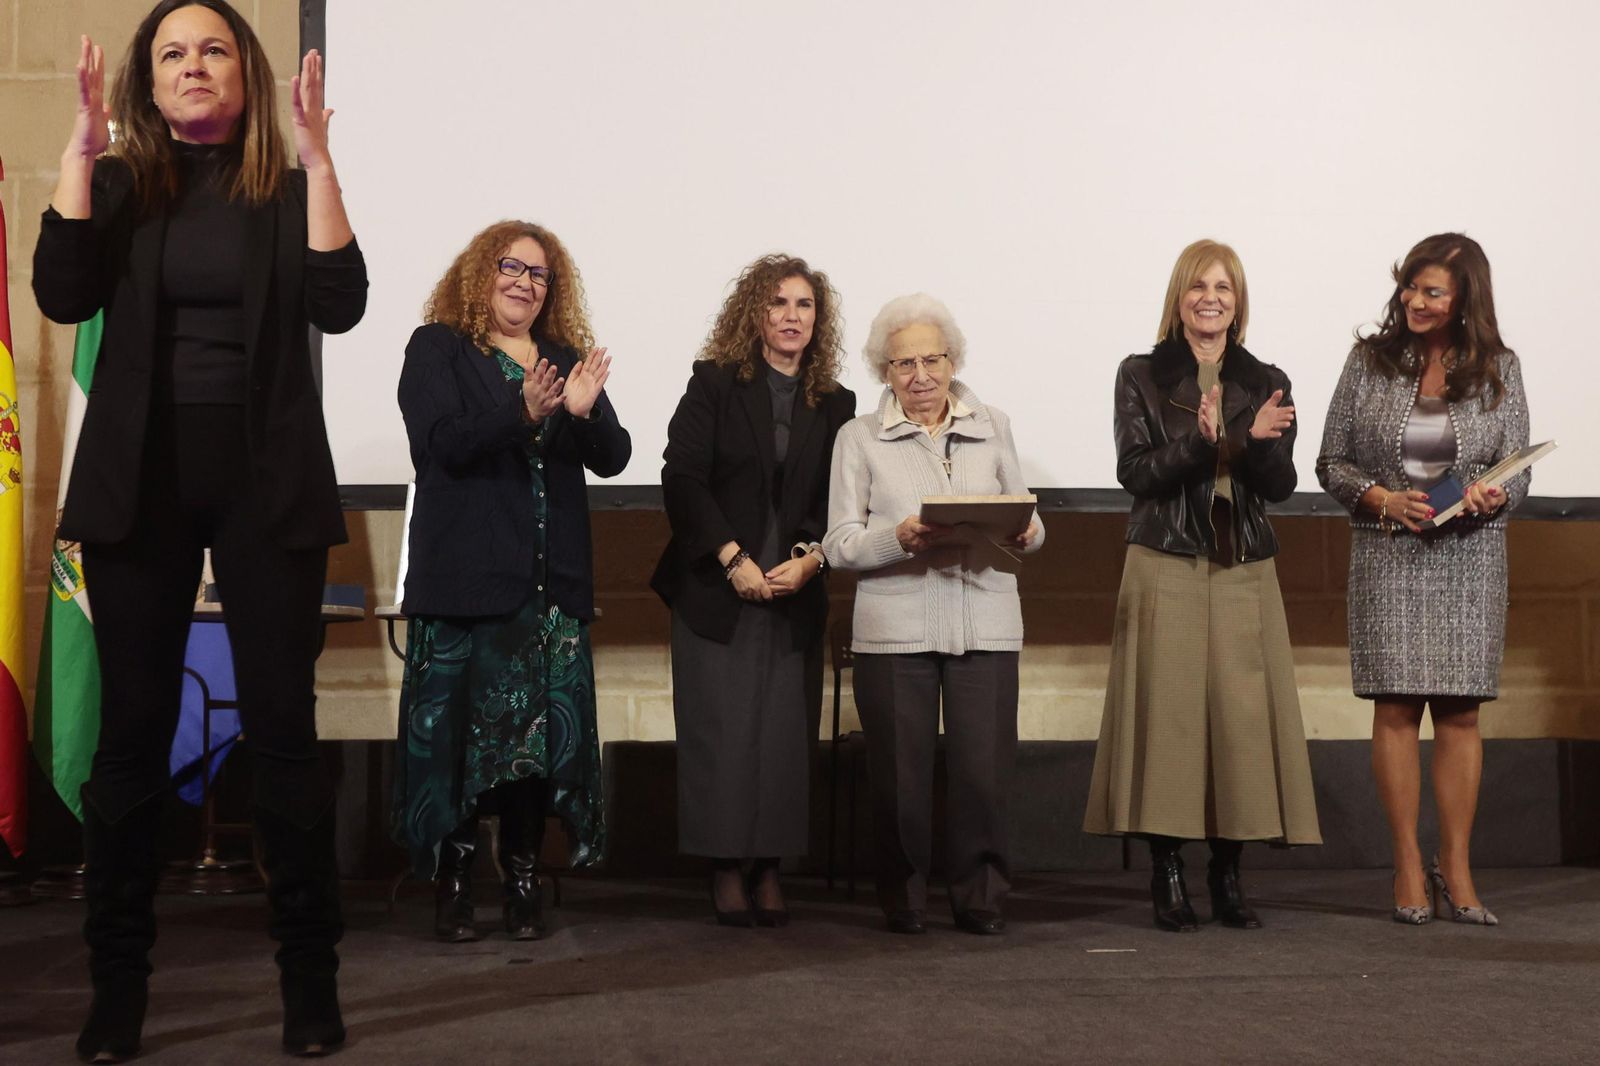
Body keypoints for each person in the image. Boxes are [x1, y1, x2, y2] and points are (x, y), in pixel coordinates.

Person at [31, 1, 364, 1057]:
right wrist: (82, 152)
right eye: (172, 53)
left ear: (243, 71)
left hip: (267, 487)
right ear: (149, 79)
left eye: (213, 48)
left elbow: (341, 302)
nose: (193, 66)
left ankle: (309, 984)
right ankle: (116, 989)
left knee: (283, 738)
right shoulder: (125, 183)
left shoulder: (283, 187)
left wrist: (319, 160)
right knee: (129, 740)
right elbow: (59, 285)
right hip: (141, 484)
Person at [394, 221, 628, 943]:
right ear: (480, 272)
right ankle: (455, 886)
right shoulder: (437, 348)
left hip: (547, 594)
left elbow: (614, 456)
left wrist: (582, 418)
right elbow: (439, 445)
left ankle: (525, 882)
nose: (524, 283)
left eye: (539, 275)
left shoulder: (563, 358)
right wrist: (520, 412)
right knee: (460, 745)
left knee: (534, 747)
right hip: (467, 589)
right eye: (512, 267)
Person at [1082, 239, 1322, 932]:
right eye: (1197, 286)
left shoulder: (1266, 377)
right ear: (1179, 297)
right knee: (1171, 718)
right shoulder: (1142, 375)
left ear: (1238, 300)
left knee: (1240, 723)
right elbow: (1137, 472)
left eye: (1223, 287)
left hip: (1241, 566)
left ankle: (1228, 871)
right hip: (1166, 561)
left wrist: (1259, 444)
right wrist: (1208, 440)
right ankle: (1167, 869)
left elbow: (1279, 487)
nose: (1210, 297)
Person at [1317, 233, 1528, 927]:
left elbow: (1518, 465)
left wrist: (1497, 494)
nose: (1415, 300)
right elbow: (1332, 461)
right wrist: (1381, 499)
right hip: (1389, 550)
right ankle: (1408, 861)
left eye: (1433, 292)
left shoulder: (1501, 366)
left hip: (1469, 554)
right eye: (1410, 287)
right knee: (1397, 709)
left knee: (1461, 712)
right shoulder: (1368, 361)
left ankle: (1457, 865)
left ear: (1465, 297)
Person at [823, 293, 1042, 936]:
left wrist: (1029, 533)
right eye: (902, 364)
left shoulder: (993, 423)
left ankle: (980, 897)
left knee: (984, 772)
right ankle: (905, 898)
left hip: (987, 619)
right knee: (900, 780)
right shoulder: (857, 437)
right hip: (895, 630)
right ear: (884, 373)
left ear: (952, 361)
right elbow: (838, 544)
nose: (919, 376)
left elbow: (1025, 514)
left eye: (931, 360)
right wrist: (901, 537)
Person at [651, 254, 856, 927]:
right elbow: (681, 477)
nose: (791, 316)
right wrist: (732, 555)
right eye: (778, 304)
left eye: (803, 305)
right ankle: (725, 867)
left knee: (783, 736)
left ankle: (771, 868)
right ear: (755, 315)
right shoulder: (714, 383)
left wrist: (811, 558)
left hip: (794, 584)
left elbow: (842, 497)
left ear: (817, 320)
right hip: (717, 584)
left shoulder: (837, 402)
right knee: (723, 732)